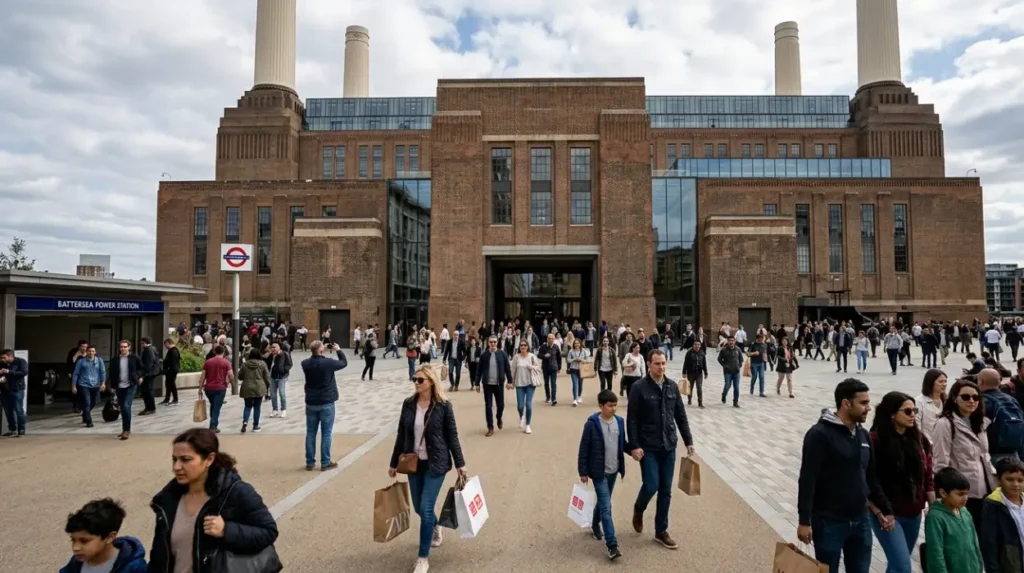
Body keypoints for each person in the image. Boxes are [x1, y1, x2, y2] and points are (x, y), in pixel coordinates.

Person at [148, 428, 279, 572]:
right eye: (174, 459)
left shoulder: (235, 491)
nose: (176, 467)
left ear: (209, 459)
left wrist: (226, 530)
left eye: (186, 459)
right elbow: (159, 556)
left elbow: (268, 532)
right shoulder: (168, 499)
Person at [796, 379, 892, 573]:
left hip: (861, 520)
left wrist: (886, 508)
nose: (868, 408)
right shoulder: (819, 435)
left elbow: (871, 477)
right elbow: (808, 479)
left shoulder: (863, 435)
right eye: (863, 403)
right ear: (846, 403)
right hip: (828, 521)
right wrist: (804, 521)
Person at [388, 365, 468, 573]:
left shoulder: (443, 406)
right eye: (415, 379)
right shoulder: (408, 404)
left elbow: (452, 436)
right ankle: (435, 525)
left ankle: (423, 558)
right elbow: (401, 434)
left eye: (420, 380)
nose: (416, 382)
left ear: (431, 382)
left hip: (436, 463)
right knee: (418, 507)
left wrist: (460, 463)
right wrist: (393, 462)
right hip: (414, 463)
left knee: (425, 507)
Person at [626, 349, 695, 550]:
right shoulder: (639, 388)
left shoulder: (672, 387)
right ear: (649, 364)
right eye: (657, 364)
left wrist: (688, 441)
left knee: (666, 489)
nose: (661, 367)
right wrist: (634, 446)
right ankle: (639, 509)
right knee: (652, 484)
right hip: (648, 446)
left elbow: (681, 416)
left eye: (663, 363)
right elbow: (632, 420)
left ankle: (661, 531)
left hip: (668, 445)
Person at [869, 391, 935, 573]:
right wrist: (878, 510)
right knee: (903, 566)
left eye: (914, 411)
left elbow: (928, 476)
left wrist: (933, 506)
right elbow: (868, 478)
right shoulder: (875, 440)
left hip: (914, 512)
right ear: (891, 413)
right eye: (907, 411)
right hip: (887, 514)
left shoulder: (919, 439)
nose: (913, 415)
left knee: (897, 564)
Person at [931, 378, 997, 535]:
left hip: (986, 490)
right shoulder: (945, 424)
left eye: (976, 397)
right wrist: (945, 495)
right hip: (962, 492)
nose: (971, 401)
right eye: (966, 397)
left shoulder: (979, 422)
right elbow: (940, 462)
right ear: (954, 398)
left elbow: (985, 455)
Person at [578, 389, 626, 561]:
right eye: (610, 406)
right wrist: (583, 471)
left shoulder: (620, 422)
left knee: (603, 502)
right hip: (599, 472)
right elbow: (584, 448)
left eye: (615, 405)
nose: (613, 409)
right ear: (601, 406)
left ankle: (594, 524)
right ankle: (612, 545)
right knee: (607, 507)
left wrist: (634, 450)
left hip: (614, 470)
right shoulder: (592, 424)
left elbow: (623, 444)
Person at [62, 498, 147, 573]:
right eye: (73, 540)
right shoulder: (75, 563)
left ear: (110, 537)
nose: (75, 548)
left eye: (84, 541)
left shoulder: (134, 568)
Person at [924, 467, 984, 573]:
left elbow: (975, 543)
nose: (966, 498)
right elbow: (935, 554)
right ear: (943, 493)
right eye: (960, 494)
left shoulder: (965, 512)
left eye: (966, 493)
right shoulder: (935, 518)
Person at [301, 341, 348, 471]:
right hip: (326, 401)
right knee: (326, 433)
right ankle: (325, 462)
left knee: (310, 432)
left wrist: (322, 351)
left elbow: (317, 358)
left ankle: (310, 462)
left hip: (311, 401)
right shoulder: (328, 363)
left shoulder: (305, 363)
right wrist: (338, 350)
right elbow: (343, 362)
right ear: (321, 350)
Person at [980, 458, 1024, 573]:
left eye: (1020, 480)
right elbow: (989, 543)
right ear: (998, 480)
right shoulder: (992, 505)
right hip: (1010, 565)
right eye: (1010, 479)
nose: (1015, 484)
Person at [978, 368, 1024, 464]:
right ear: (1000, 381)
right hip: (1014, 453)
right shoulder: (1012, 400)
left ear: (981, 381)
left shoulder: (983, 402)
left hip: (993, 454)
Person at [106, 342, 143, 441]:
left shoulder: (134, 358)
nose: (123, 349)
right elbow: (111, 372)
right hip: (119, 386)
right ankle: (125, 429)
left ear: (129, 347)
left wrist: (139, 376)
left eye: (125, 347)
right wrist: (111, 385)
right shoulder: (115, 359)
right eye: (121, 347)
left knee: (126, 406)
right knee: (123, 408)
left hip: (131, 385)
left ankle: (126, 430)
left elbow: (141, 368)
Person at [478, 335, 513, 436]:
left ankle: (498, 417)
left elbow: (507, 368)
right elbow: (479, 370)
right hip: (487, 385)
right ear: (488, 343)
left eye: (494, 342)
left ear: (497, 343)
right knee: (488, 406)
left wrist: (510, 381)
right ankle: (490, 427)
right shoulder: (484, 355)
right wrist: (477, 383)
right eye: (491, 342)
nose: (492, 344)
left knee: (501, 405)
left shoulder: (502, 354)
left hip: (499, 384)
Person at [198, 345, 233, 434]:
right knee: (216, 408)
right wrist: (230, 383)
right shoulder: (226, 362)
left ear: (214, 352)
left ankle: (214, 424)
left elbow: (203, 376)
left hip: (209, 388)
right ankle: (213, 426)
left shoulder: (208, 362)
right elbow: (230, 375)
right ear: (224, 352)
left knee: (213, 405)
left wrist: (200, 388)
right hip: (220, 388)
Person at [509, 339, 541, 435]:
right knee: (520, 405)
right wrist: (511, 382)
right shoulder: (516, 357)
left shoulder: (532, 356)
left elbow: (538, 368)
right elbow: (513, 370)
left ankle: (527, 425)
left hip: (530, 383)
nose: (523, 347)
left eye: (524, 345)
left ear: (527, 347)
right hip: (519, 384)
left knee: (529, 405)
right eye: (521, 345)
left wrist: (532, 367)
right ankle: (521, 416)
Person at [71, 345, 107, 428]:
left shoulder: (99, 361)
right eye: (89, 351)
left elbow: (103, 372)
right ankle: (89, 420)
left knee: (94, 402)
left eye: (93, 351)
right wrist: (74, 386)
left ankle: (85, 414)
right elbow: (75, 374)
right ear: (86, 352)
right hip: (84, 384)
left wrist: (103, 383)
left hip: (95, 384)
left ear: (95, 352)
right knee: (87, 402)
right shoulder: (81, 361)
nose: (91, 353)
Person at [238, 348, 270, 433]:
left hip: (247, 387)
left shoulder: (245, 364)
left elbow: (240, 376)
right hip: (259, 387)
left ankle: (245, 421)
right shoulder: (262, 364)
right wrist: (268, 386)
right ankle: (255, 425)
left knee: (247, 406)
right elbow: (267, 377)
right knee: (257, 406)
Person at [915, 369, 948, 441]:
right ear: (931, 383)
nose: (944, 384)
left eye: (945, 381)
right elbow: (916, 427)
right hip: (927, 444)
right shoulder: (919, 402)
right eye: (940, 381)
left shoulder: (947, 401)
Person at [266, 342, 292, 419]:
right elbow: (267, 364)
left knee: (281, 393)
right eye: (271, 347)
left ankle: (283, 409)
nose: (272, 349)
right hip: (272, 376)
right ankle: (275, 409)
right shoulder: (270, 356)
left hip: (282, 376)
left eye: (274, 347)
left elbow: (290, 364)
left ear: (278, 347)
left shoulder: (284, 354)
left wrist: (284, 370)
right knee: (273, 394)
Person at [718, 336, 743, 407]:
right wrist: (724, 366)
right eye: (730, 341)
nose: (731, 342)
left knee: (736, 387)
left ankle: (735, 402)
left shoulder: (738, 349)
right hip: (727, 372)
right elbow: (719, 359)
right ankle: (724, 394)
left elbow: (741, 358)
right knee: (727, 385)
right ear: (728, 341)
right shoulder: (724, 350)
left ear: (735, 341)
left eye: (733, 340)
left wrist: (739, 365)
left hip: (736, 371)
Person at [138, 337, 161, 416]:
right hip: (151, 373)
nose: (141, 345)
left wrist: (143, 375)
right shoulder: (153, 349)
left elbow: (148, 364)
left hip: (149, 374)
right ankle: (149, 407)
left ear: (145, 342)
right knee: (147, 391)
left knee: (147, 391)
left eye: (142, 343)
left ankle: (150, 408)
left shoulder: (148, 350)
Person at [682, 340, 708, 408]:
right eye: (695, 345)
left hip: (699, 373)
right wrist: (684, 372)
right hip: (691, 373)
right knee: (690, 387)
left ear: (700, 346)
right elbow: (686, 362)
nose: (697, 346)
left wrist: (705, 372)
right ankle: (689, 399)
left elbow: (704, 363)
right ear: (693, 345)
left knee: (699, 387)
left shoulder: (702, 353)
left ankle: (700, 403)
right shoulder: (689, 353)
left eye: (698, 345)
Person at [538, 333, 562, 405]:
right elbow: (539, 355)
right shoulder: (543, 347)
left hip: (554, 367)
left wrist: (559, 367)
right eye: (549, 338)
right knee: (546, 383)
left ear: (554, 339)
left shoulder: (556, 347)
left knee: (553, 383)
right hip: (545, 367)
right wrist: (544, 356)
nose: (550, 340)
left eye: (552, 338)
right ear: (547, 339)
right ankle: (548, 397)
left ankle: (553, 398)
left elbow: (559, 357)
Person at [567, 339, 587, 406]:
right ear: (573, 344)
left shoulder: (584, 351)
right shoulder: (571, 351)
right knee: (575, 384)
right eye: (575, 343)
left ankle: (579, 396)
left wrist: (582, 360)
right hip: (573, 369)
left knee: (580, 384)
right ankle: (575, 399)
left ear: (580, 344)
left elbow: (587, 359)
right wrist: (574, 359)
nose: (577, 345)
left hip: (581, 369)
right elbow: (568, 360)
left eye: (578, 343)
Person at [161, 339, 180, 406]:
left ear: (169, 343)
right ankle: (167, 399)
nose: (165, 346)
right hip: (170, 370)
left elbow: (172, 362)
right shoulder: (172, 350)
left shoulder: (173, 351)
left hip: (172, 371)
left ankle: (175, 399)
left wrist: (168, 369)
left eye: (165, 344)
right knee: (168, 385)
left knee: (172, 385)